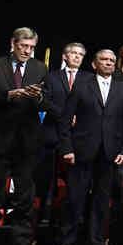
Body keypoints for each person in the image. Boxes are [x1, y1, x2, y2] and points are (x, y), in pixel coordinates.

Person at [0, 27, 53, 245]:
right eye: (23, 46)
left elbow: (46, 102)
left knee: (25, 197)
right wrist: (9, 95)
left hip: (26, 143)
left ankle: (22, 244)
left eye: (31, 47)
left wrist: (37, 96)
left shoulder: (40, 68)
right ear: (13, 44)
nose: (27, 51)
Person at [55, 49, 123, 245]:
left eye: (111, 60)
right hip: (81, 152)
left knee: (101, 199)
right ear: (94, 64)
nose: (108, 63)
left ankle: (97, 241)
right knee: (75, 197)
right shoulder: (81, 85)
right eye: (104, 60)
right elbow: (65, 120)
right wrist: (67, 148)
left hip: (110, 153)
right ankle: (67, 241)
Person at [40, 42, 92, 226]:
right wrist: (66, 116)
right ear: (65, 56)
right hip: (52, 135)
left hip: (79, 138)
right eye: (73, 53)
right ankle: (45, 217)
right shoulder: (52, 77)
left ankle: (75, 218)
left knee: (76, 182)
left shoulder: (89, 79)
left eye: (80, 54)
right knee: (48, 182)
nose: (77, 57)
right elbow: (44, 101)